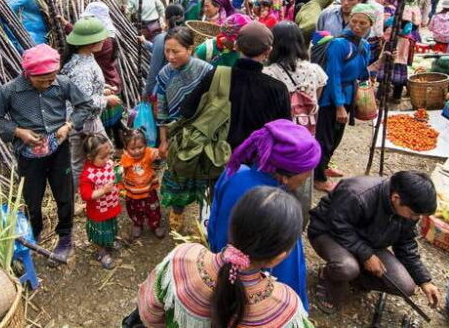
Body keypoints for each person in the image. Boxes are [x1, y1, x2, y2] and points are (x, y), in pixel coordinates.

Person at [137, 187, 314, 328]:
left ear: (232, 226)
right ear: (279, 257)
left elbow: (150, 313)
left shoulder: (181, 260)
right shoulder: (285, 308)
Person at [0, 44, 95, 262]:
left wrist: (68, 125)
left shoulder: (62, 83)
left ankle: (65, 237)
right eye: (43, 79)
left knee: (64, 196)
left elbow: (85, 105)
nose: (48, 83)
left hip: (59, 149)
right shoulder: (10, 91)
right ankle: (32, 233)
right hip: (28, 155)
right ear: (28, 74)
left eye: (51, 77)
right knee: (32, 199)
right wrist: (18, 132)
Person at [208, 121, 322, 308]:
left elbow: (213, 225)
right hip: (255, 294)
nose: (306, 179)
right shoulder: (280, 209)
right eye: (304, 177)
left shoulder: (233, 173)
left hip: (220, 266)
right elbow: (288, 274)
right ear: (285, 177)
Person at [308, 171, 441, 314]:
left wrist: (424, 281)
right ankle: (328, 276)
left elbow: (406, 245)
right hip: (328, 233)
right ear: (396, 198)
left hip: (367, 242)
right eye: (414, 214)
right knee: (347, 267)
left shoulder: (408, 210)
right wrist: (366, 255)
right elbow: (337, 225)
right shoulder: (358, 193)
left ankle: (354, 276)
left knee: (405, 286)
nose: (415, 218)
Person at [181, 22, 291, 149]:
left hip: (216, 159)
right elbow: (285, 133)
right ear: (268, 52)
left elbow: (187, 110)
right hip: (256, 160)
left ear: (236, 46)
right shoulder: (278, 89)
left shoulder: (217, 75)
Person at [155, 27, 214, 229]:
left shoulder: (206, 71)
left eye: (176, 51)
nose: (170, 57)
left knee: (203, 173)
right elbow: (162, 110)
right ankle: (178, 209)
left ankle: (205, 213)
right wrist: (163, 140)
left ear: (190, 49)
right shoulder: (164, 75)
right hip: (176, 134)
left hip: (202, 132)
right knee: (178, 172)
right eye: (167, 51)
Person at [313, 4, 372, 192]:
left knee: (337, 136)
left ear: (371, 24)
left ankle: (326, 165)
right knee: (325, 136)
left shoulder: (365, 46)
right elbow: (334, 75)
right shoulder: (339, 44)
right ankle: (318, 177)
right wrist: (339, 106)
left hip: (348, 94)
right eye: (354, 21)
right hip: (331, 96)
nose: (357, 26)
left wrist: (383, 61)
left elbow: (363, 72)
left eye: (363, 23)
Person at [60, 18, 120, 187]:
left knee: (105, 149)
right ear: (90, 43)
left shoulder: (85, 57)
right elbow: (83, 102)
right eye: (101, 38)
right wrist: (106, 100)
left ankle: (101, 181)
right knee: (78, 160)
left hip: (90, 119)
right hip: (82, 123)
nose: (104, 40)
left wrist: (102, 88)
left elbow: (83, 91)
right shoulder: (82, 69)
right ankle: (81, 196)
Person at [77, 2, 125, 148]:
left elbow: (85, 47)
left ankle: (113, 148)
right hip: (110, 83)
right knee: (113, 121)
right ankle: (116, 147)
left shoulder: (104, 41)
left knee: (109, 122)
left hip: (107, 84)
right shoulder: (107, 36)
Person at [264, 22, 327, 132]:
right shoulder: (316, 71)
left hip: (280, 133)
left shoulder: (268, 73)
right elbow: (316, 98)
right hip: (306, 133)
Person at [79, 133, 121, 269]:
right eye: (102, 157)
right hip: (98, 211)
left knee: (110, 226)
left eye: (108, 154)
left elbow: (113, 176)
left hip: (110, 205)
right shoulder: (88, 174)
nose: (107, 159)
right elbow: (86, 195)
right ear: (90, 157)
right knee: (99, 232)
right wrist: (103, 190)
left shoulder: (108, 163)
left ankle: (109, 241)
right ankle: (101, 252)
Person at [119, 129, 165, 239]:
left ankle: (155, 225)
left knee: (153, 208)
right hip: (133, 192)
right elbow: (122, 173)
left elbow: (160, 153)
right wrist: (120, 187)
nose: (137, 151)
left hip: (149, 190)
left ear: (145, 145)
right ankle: (137, 224)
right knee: (134, 210)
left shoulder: (149, 153)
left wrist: (164, 149)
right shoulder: (125, 158)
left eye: (140, 147)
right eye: (132, 148)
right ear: (126, 148)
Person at [143, 4, 185, 99]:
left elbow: (154, 70)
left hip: (165, 90)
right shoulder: (187, 37)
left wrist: (147, 92)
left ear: (166, 19)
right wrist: (145, 42)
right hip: (183, 88)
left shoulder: (162, 39)